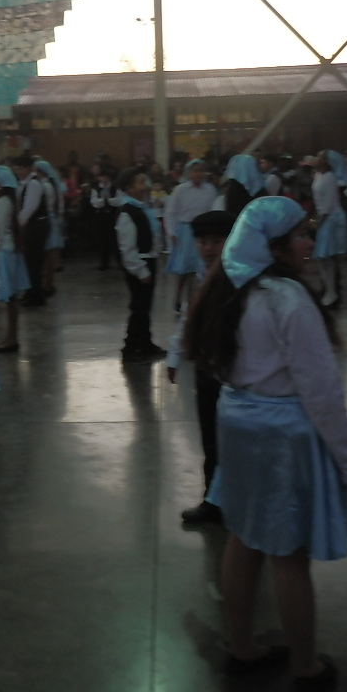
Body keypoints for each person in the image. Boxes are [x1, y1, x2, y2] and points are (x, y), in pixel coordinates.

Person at [185, 197, 347, 692]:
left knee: (243, 537)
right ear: (273, 246)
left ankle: (242, 649)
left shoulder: (227, 289)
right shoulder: (287, 298)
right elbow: (320, 388)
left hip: (240, 422)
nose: (309, 243)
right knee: (289, 555)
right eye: (300, 235)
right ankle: (306, 667)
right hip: (284, 432)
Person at [166, 210, 234, 525]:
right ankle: (213, 499)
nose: (208, 248)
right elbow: (188, 317)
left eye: (216, 241)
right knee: (210, 436)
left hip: (234, 372)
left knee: (232, 439)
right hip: (207, 368)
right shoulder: (200, 276)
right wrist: (175, 356)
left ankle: (233, 499)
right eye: (202, 241)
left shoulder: (239, 278)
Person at [115, 167, 164, 362]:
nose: (146, 186)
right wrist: (141, 271)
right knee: (139, 307)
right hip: (139, 265)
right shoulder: (128, 213)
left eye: (146, 182)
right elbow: (127, 249)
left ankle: (145, 342)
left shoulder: (143, 209)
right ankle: (132, 347)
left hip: (148, 260)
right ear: (129, 188)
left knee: (145, 306)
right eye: (141, 182)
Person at [165, 159, 219, 312]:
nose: (198, 174)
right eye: (195, 171)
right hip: (185, 231)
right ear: (188, 173)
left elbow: (214, 210)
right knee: (184, 269)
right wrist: (171, 232)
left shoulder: (210, 190)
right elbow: (171, 212)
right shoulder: (180, 190)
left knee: (200, 267)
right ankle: (178, 297)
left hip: (203, 230)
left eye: (201, 170)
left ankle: (195, 299)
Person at [0, 165, 28, 353]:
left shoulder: (2, 203)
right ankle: (12, 336)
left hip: (4, 252)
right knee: (12, 300)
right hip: (10, 251)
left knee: (10, 298)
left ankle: (11, 338)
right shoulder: (9, 200)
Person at [311, 151, 347, 308]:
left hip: (329, 219)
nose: (316, 158)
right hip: (322, 217)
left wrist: (318, 222)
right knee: (322, 259)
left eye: (320, 156)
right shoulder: (318, 175)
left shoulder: (329, 177)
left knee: (327, 258)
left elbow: (328, 204)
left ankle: (332, 292)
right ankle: (327, 289)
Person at [14, 157, 50, 307]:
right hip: (32, 225)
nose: (18, 172)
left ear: (29, 168)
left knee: (34, 261)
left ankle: (37, 295)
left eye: (20, 169)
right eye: (16, 169)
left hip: (37, 226)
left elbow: (29, 208)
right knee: (29, 261)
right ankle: (31, 292)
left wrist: (19, 224)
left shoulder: (34, 184)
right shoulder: (24, 183)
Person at [35, 160, 65, 294]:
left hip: (47, 220)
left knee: (47, 256)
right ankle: (49, 284)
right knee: (49, 255)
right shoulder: (51, 184)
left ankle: (47, 285)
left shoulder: (44, 186)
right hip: (52, 219)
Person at [89, 169, 119, 270]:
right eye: (102, 177)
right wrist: (104, 200)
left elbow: (119, 201)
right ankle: (104, 262)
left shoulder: (115, 188)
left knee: (115, 239)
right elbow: (94, 202)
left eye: (106, 177)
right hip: (100, 216)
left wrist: (108, 200)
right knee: (102, 239)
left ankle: (119, 261)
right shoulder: (96, 189)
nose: (104, 179)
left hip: (112, 216)